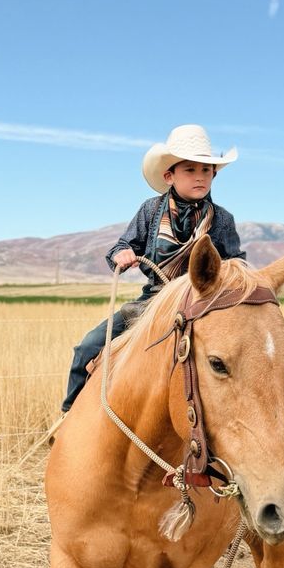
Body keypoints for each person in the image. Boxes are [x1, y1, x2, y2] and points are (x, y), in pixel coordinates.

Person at [51, 125, 244, 433]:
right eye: (190, 169)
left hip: (204, 303)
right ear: (169, 175)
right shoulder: (150, 211)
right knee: (87, 348)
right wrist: (122, 254)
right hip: (153, 301)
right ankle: (69, 418)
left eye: (206, 170)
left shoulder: (222, 220)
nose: (200, 177)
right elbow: (121, 246)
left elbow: (236, 264)